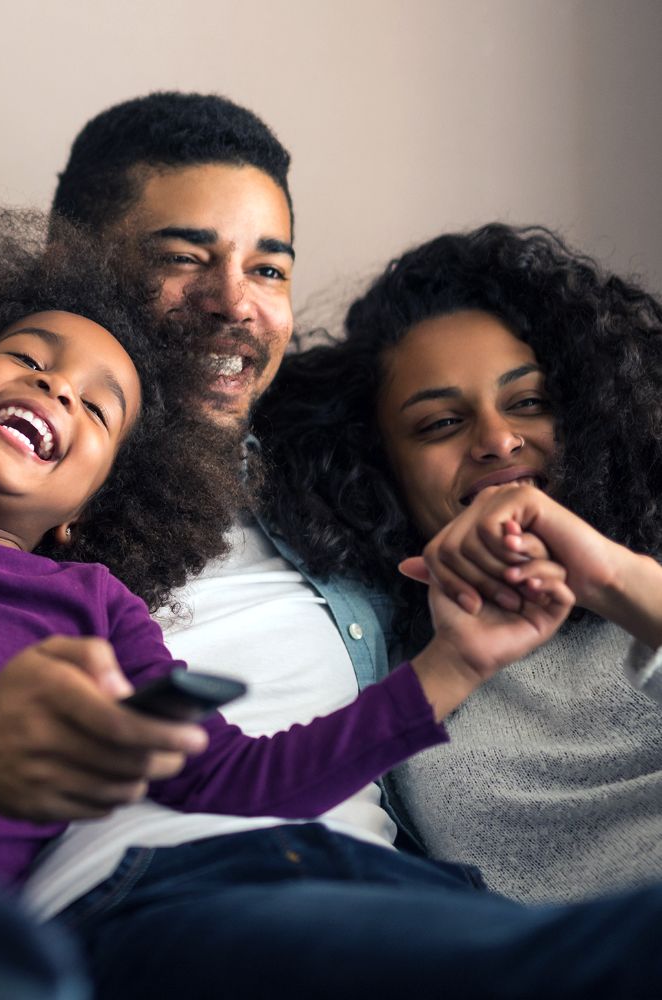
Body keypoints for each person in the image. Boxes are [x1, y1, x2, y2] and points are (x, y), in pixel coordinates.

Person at [0, 94, 659, 998]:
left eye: (269, 269)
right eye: (185, 257)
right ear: (72, 270)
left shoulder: (353, 478)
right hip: (159, 898)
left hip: (396, 888)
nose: (234, 302)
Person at [257, 222, 662, 905]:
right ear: (379, 468)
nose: (498, 439)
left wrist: (612, 579)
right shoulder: (402, 672)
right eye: (441, 423)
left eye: (528, 402)